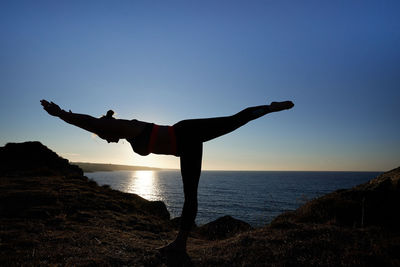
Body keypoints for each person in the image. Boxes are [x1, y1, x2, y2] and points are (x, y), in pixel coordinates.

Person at [40, 99, 294, 253]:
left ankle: (270, 108)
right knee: (190, 195)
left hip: (187, 132)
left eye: (104, 137)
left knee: (233, 120)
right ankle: (180, 245)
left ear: (106, 128)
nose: (107, 141)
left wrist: (61, 114)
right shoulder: (126, 135)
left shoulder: (119, 126)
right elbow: (97, 127)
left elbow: (90, 123)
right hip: (185, 146)